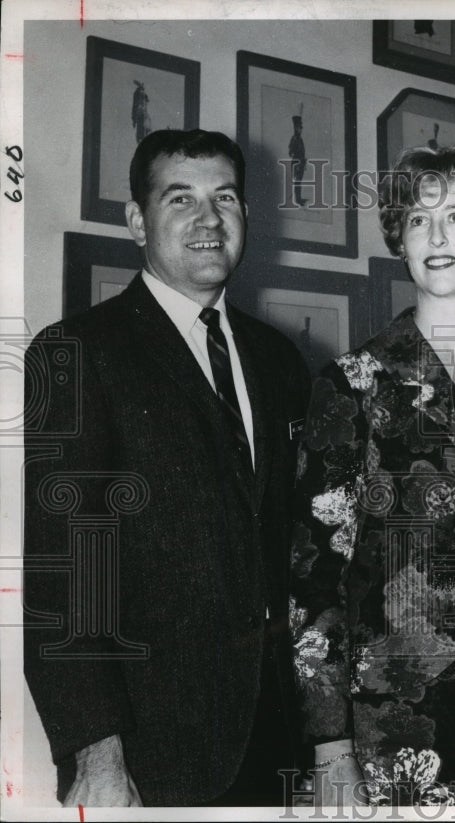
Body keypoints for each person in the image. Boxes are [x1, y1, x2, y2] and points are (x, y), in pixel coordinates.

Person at [23, 129, 311, 806]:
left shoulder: (281, 360)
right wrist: (97, 754)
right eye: (180, 198)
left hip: (275, 740)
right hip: (151, 753)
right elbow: (65, 577)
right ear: (136, 220)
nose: (209, 219)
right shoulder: (78, 352)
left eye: (227, 198)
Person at [289, 146, 455, 807]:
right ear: (399, 243)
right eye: (416, 219)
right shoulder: (351, 383)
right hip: (397, 726)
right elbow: (314, 580)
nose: (435, 236)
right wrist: (329, 746)